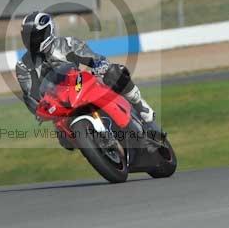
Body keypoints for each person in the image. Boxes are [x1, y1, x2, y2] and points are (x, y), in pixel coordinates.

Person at [15, 11, 156, 149]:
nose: (32, 41)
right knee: (65, 141)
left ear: (48, 30)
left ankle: (141, 107)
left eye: (35, 36)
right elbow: (30, 95)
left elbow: (94, 58)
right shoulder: (23, 66)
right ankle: (98, 149)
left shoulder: (67, 44)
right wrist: (39, 111)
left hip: (80, 85)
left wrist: (100, 65)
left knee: (114, 72)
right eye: (28, 37)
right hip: (59, 105)